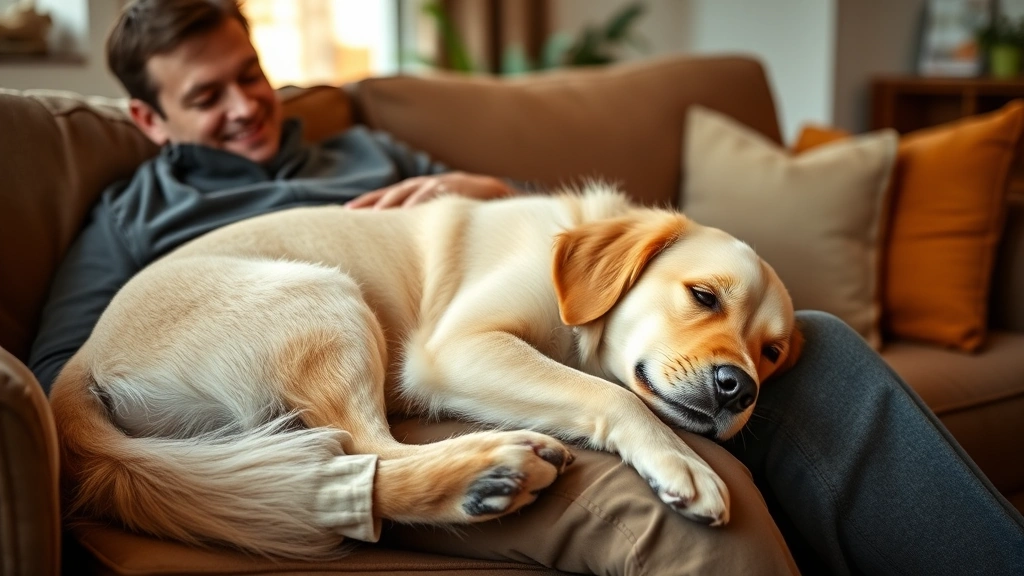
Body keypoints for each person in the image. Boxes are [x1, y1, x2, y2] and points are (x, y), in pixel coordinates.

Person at [30, 0, 1024, 574]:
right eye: (207, 97)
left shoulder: (362, 145)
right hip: (338, 371)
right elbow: (59, 375)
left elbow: (524, 244)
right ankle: (372, 475)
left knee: (819, 343)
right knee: (690, 516)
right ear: (148, 120)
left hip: (448, 331)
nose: (248, 106)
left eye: (251, 74)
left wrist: (477, 187)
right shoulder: (130, 213)